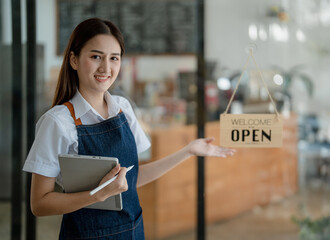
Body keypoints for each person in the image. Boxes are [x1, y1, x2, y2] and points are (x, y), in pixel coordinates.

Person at [23, 17, 235, 239]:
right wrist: (97, 195)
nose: (106, 67)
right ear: (74, 60)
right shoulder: (57, 122)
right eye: (96, 56)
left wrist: (188, 151)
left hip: (133, 231)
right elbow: (40, 203)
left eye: (114, 58)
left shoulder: (122, 108)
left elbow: (132, 179)